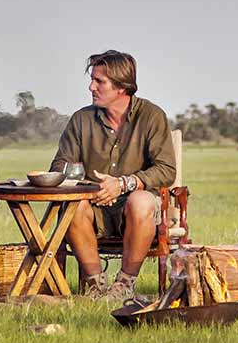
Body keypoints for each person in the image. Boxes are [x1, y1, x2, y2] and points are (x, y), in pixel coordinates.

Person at [52, 50, 176, 304]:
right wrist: (90, 188)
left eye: (100, 81)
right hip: (92, 206)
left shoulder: (151, 117)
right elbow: (59, 167)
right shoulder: (81, 120)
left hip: (135, 210)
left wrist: (122, 184)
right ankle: (96, 286)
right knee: (73, 206)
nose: (91, 86)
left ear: (122, 87)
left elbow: (166, 170)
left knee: (141, 200)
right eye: (93, 79)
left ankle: (124, 284)